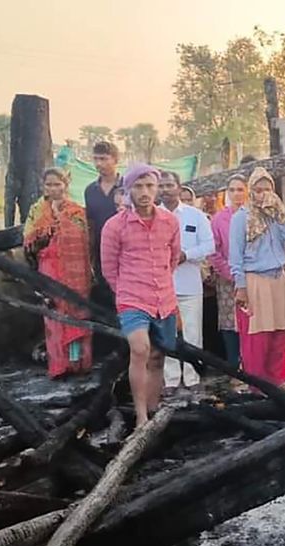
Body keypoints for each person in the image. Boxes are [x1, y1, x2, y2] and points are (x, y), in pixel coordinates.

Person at [101, 164, 181, 427]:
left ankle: (154, 409)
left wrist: (162, 285)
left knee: (158, 356)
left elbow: (172, 259)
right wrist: (126, 292)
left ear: (156, 188)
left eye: (149, 186)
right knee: (140, 348)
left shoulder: (169, 221)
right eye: (138, 186)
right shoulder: (115, 226)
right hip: (132, 299)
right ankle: (141, 416)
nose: (144, 192)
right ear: (128, 189)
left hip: (164, 298)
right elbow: (109, 269)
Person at [229, 167, 285, 390]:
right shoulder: (242, 217)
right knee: (257, 337)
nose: (262, 195)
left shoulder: (275, 215)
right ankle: (257, 385)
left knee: (280, 331)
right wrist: (241, 287)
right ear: (251, 191)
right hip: (254, 280)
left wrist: (279, 213)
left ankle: (278, 380)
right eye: (258, 190)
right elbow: (235, 256)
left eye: (267, 190)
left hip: (279, 278)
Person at [23, 167, 93, 378]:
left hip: (75, 271)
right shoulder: (37, 210)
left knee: (75, 313)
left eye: (57, 184)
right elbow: (28, 241)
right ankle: (59, 366)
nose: (53, 189)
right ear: (43, 186)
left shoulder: (77, 211)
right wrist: (42, 238)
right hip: (48, 268)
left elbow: (85, 243)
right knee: (54, 314)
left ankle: (77, 363)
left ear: (66, 185)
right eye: (49, 184)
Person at [159, 171, 214, 393]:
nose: (165, 189)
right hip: (162, 286)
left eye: (169, 185)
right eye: (161, 186)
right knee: (167, 334)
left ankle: (192, 377)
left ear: (179, 187)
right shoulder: (152, 216)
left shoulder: (195, 216)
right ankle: (171, 379)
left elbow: (209, 246)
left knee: (192, 332)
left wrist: (186, 255)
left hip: (190, 284)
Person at [84, 141, 122, 354]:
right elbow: (90, 225)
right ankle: (113, 351)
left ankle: (131, 349)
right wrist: (89, 257)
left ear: (116, 160)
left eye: (104, 159)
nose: (99, 163)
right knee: (106, 298)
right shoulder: (90, 190)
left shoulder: (128, 187)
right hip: (101, 252)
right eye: (96, 159)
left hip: (127, 253)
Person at [209, 175, 247, 366]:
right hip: (227, 278)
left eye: (240, 189)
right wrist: (228, 271)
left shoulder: (253, 215)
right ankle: (233, 365)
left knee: (250, 320)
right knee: (229, 322)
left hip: (251, 277)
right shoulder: (219, 219)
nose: (236, 194)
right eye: (232, 190)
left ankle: (251, 364)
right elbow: (213, 250)